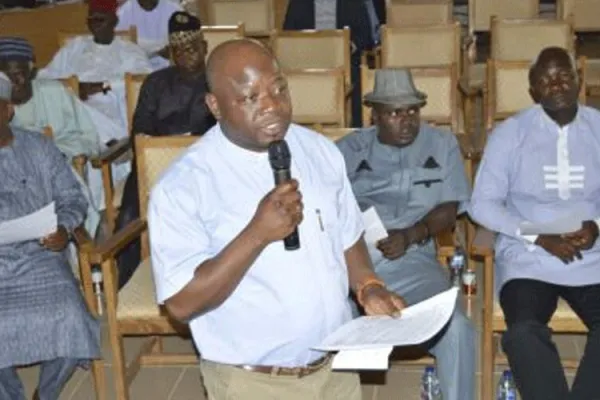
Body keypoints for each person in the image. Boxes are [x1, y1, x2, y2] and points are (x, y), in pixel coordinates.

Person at [148, 39, 406, 400]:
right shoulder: (184, 185)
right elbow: (180, 303)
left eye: (279, 89)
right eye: (250, 97)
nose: (271, 105)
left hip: (336, 368)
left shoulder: (319, 150)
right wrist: (257, 234)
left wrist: (367, 285)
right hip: (253, 382)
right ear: (215, 105)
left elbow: (347, 235)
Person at [470, 46, 600, 400]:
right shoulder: (510, 133)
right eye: (546, 80)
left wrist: (596, 226)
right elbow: (481, 204)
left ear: (578, 80)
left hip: (592, 257)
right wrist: (538, 236)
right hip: (529, 257)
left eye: (564, 76)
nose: (556, 85)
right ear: (533, 90)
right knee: (523, 332)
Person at [337, 68, 475, 400]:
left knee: (457, 327)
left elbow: (450, 206)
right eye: (395, 113)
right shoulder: (347, 150)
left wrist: (411, 235)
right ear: (375, 115)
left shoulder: (441, 144)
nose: (407, 121)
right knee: (321, 321)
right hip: (352, 262)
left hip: (414, 259)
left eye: (412, 111)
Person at [0, 73, 100, 400]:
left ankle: (46, 393)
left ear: (8, 111)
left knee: (71, 316)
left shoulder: (39, 147)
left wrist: (64, 229)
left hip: (39, 257)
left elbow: (72, 197)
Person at [115, 11, 216, 289]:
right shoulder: (155, 83)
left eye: (191, 48)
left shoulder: (218, 80)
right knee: (128, 218)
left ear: (204, 47)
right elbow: (140, 131)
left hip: (205, 167)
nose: (185, 56)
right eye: (178, 51)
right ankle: (128, 286)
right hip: (154, 168)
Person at [0, 36, 105, 236]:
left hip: (60, 175)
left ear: (31, 69)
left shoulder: (54, 91)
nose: (15, 83)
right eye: (7, 76)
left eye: (20, 74)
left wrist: (54, 152)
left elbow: (89, 138)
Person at [37, 0, 153, 142]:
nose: (94, 24)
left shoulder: (129, 50)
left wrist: (103, 86)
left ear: (114, 20)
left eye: (100, 19)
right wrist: (72, 87)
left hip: (110, 108)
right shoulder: (74, 47)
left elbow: (145, 78)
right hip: (73, 102)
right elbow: (45, 76)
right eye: (91, 20)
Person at [283, 0, 385, 127]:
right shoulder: (298, 3)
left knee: (356, 76)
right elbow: (287, 35)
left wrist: (349, 46)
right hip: (307, 61)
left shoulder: (355, 3)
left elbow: (365, 35)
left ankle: (355, 127)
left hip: (342, 62)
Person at [116, 0, 183, 70]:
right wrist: (157, 50)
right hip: (136, 69)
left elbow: (182, 45)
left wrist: (173, 52)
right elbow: (120, 48)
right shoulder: (124, 13)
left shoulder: (175, 10)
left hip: (170, 69)